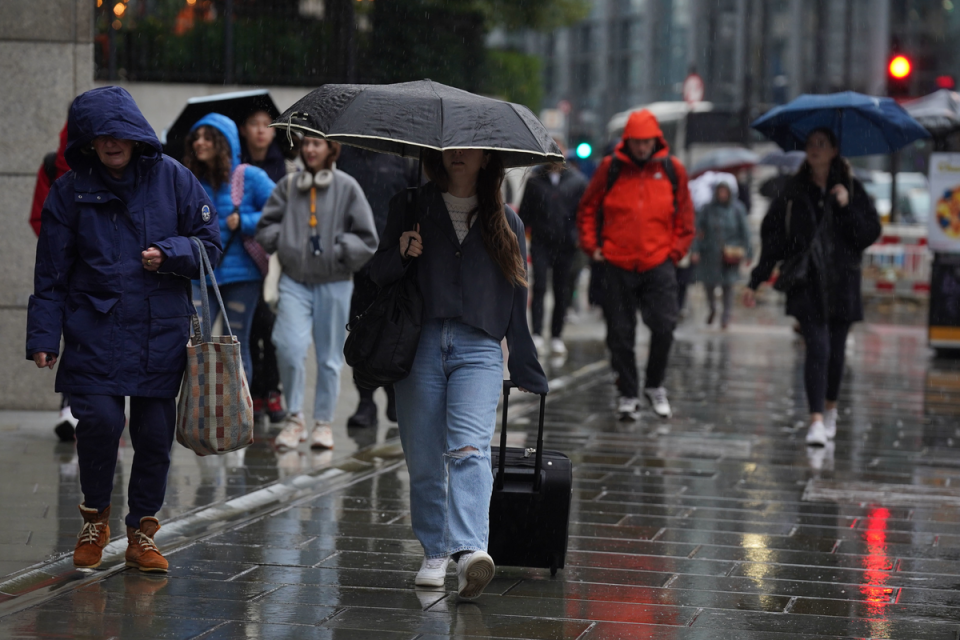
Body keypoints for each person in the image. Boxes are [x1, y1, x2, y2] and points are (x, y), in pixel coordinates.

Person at [26, 86, 221, 572]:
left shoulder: (175, 179)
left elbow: (210, 247)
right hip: (94, 325)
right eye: (99, 135)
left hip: (160, 329)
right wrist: (44, 337)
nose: (110, 142)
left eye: (118, 133)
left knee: (154, 433)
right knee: (100, 422)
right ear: (88, 140)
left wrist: (170, 254)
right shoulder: (69, 190)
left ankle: (143, 532)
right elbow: (50, 271)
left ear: (135, 134)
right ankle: (95, 519)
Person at [369, 148, 548, 600]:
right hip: (421, 342)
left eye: (470, 148)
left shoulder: (507, 221)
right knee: (425, 457)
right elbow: (376, 274)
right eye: (451, 147)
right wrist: (402, 252)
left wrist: (525, 361)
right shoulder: (409, 206)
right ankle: (434, 551)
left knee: (469, 448)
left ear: (489, 158)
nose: (458, 155)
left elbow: (516, 295)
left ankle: (470, 551)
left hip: (479, 347)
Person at [743, 128, 881, 447]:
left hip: (843, 284)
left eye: (822, 144)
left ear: (834, 150)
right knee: (817, 349)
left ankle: (831, 408)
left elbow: (867, 234)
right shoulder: (793, 191)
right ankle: (816, 419)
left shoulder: (851, 188)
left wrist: (846, 206)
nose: (814, 150)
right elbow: (773, 241)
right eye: (810, 144)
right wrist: (756, 280)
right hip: (807, 283)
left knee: (835, 354)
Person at [256, 137, 378, 451]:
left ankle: (323, 423)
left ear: (330, 149)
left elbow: (367, 237)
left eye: (317, 144)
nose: (310, 150)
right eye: (306, 144)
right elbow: (265, 227)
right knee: (288, 346)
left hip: (335, 282)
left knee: (329, 358)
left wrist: (339, 251)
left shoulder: (347, 186)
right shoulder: (287, 185)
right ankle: (295, 419)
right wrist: (285, 240)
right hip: (294, 281)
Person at [576, 109, 695, 422]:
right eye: (636, 142)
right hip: (617, 261)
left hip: (659, 261)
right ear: (627, 142)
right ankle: (628, 393)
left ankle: (654, 385)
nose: (642, 148)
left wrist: (676, 250)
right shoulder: (610, 168)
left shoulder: (672, 170)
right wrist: (592, 246)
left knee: (665, 326)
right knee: (619, 333)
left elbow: (685, 215)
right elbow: (587, 208)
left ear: (656, 141)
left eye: (647, 142)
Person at [183, 114, 275, 387]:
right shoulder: (188, 179)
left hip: (242, 277)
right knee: (196, 344)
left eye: (207, 138)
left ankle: (239, 415)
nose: (199, 143)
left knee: (236, 344)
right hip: (200, 275)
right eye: (196, 138)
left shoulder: (250, 177)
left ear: (224, 142)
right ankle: (202, 410)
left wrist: (244, 221)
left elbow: (281, 210)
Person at [337, 145, 419, 427]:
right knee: (362, 327)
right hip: (359, 261)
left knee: (395, 327)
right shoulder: (344, 156)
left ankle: (394, 393)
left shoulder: (402, 158)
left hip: (395, 258)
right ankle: (365, 399)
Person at [239, 108, 290, 425]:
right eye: (253, 124)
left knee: (272, 328)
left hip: (274, 260)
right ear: (244, 129)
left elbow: (283, 211)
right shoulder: (235, 165)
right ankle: (254, 392)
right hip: (243, 261)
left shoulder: (284, 164)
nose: (260, 130)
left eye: (265, 125)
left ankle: (272, 390)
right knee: (249, 330)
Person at [29, 121, 79, 442]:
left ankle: (80, 409)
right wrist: (60, 250)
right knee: (74, 335)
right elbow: (40, 218)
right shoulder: (52, 167)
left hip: (97, 270)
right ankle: (72, 407)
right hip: (65, 268)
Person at [518, 140, 588, 356]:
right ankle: (537, 333)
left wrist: (578, 236)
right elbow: (524, 213)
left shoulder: (577, 181)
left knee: (562, 289)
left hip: (566, 245)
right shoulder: (534, 180)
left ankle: (557, 335)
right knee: (539, 287)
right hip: (541, 242)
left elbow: (583, 213)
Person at [691, 182, 752, 329]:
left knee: (728, 286)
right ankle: (712, 308)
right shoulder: (707, 209)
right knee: (709, 284)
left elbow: (745, 232)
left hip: (729, 254)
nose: (723, 195)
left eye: (725, 192)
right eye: (720, 192)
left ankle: (726, 317)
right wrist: (695, 250)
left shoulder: (737, 209)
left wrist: (748, 252)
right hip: (709, 253)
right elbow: (698, 231)